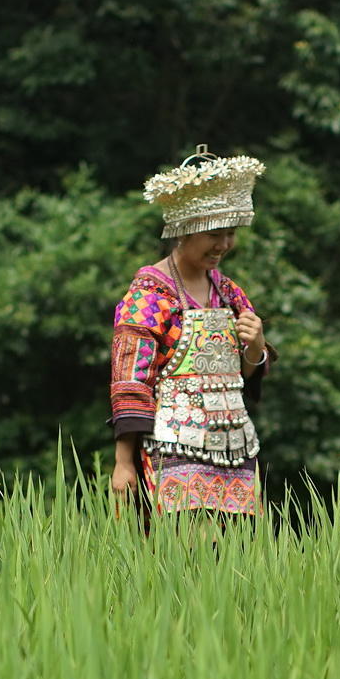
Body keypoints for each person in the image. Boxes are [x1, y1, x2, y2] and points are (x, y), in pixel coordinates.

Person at [109, 147, 271, 518]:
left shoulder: (229, 293)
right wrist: (123, 463)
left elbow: (243, 376)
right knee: (181, 556)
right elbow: (129, 382)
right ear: (184, 231)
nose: (224, 245)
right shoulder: (149, 295)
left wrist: (256, 347)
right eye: (215, 234)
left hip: (234, 447)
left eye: (230, 234)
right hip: (170, 446)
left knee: (235, 563)